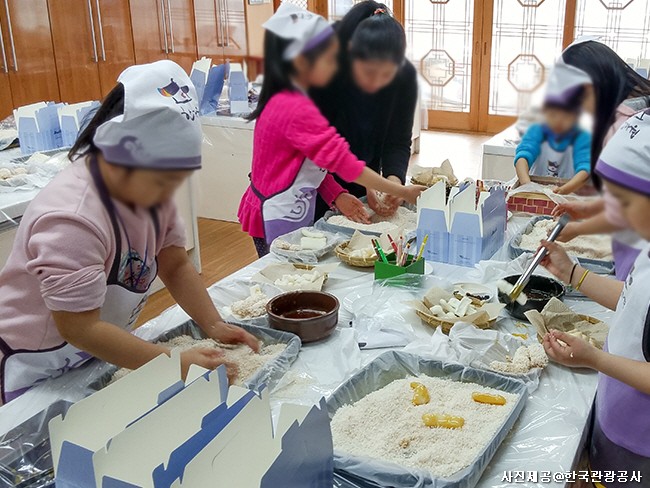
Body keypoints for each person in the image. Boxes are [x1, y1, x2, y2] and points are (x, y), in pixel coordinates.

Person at [0, 61, 259, 405]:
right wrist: (173, 365)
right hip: (35, 362)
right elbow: (79, 327)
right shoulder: (73, 218)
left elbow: (175, 264)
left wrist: (213, 324)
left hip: (95, 348)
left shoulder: (152, 188)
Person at [238, 3, 424, 257]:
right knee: (285, 277)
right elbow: (339, 161)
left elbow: (323, 160)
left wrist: (387, 182)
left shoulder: (291, 98)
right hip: (278, 209)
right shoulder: (297, 107)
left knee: (301, 273)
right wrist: (401, 191)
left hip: (299, 203)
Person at [540, 110, 650, 485]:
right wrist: (571, 272)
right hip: (615, 412)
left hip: (642, 440)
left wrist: (595, 358)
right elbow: (636, 302)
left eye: (624, 200)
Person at [547, 39, 650, 279]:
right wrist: (587, 208)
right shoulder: (639, 109)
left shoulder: (623, 126)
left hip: (638, 265)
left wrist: (578, 231)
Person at [312, 1, 418, 220]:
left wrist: (390, 184)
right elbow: (313, 152)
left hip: (360, 178)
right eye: (369, 72)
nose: (377, 83)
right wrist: (339, 193)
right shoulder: (324, 77)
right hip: (310, 186)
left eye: (387, 75)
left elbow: (397, 141)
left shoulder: (404, 76)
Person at [514, 91, 591, 195]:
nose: (558, 121)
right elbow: (523, 156)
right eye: (553, 115)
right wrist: (527, 185)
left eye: (565, 116)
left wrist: (564, 190)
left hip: (570, 192)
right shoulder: (537, 130)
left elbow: (585, 168)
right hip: (535, 191)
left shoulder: (582, 137)